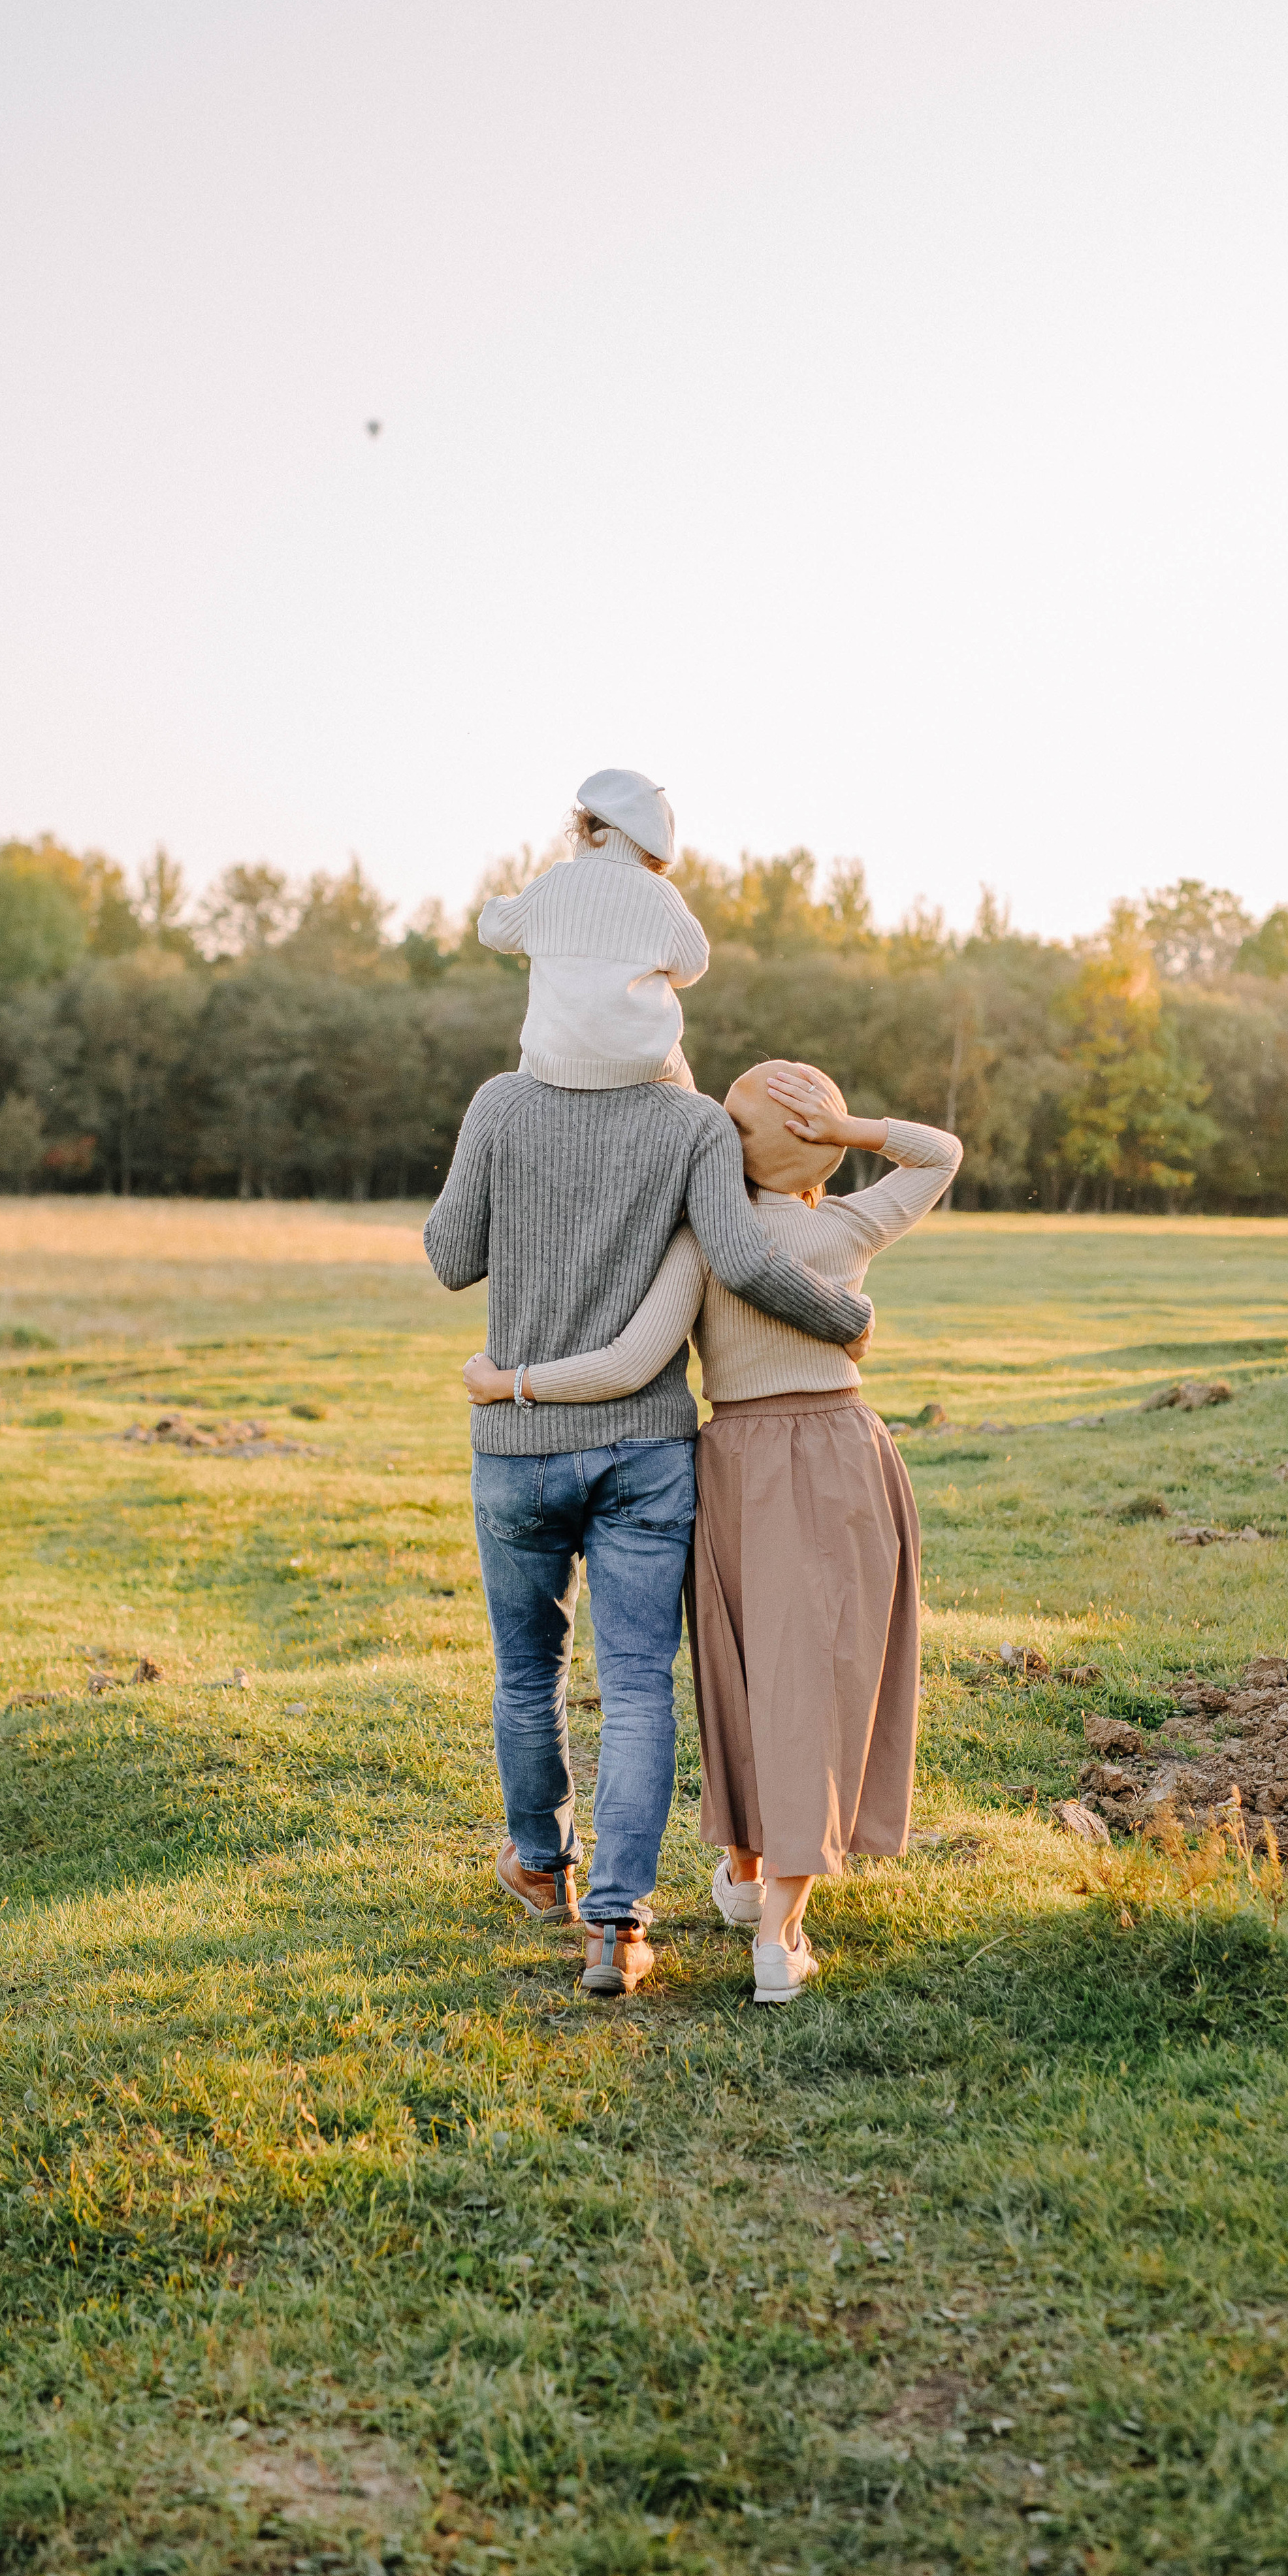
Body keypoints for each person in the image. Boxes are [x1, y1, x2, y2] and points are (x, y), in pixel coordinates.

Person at [425, 815, 875, 2003]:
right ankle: (617, 1929)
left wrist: (510, 1173)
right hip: (643, 1452)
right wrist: (844, 1319)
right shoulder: (686, 1124)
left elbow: (448, 1257)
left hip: (517, 1441)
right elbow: (743, 1255)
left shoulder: (500, 1106)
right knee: (637, 1685)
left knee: (527, 1673)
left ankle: (539, 1861)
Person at [464, 1060, 960, 2006]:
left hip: (736, 1464)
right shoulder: (848, 1227)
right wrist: (849, 1132)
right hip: (845, 1451)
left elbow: (628, 1362)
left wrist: (513, 1384)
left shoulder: (700, 1242)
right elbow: (941, 1154)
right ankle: (774, 1924)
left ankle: (754, 1886)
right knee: (821, 1680)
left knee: (743, 1675)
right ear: (817, 1140)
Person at [475, 768, 709, 1093]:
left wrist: (498, 904)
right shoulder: (661, 893)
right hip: (644, 1065)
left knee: (528, 1068)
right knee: (693, 1102)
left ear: (584, 826)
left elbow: (496, 932)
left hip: (551, 1065)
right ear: (658, 845)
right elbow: (693, 965)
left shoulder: (554, 882)